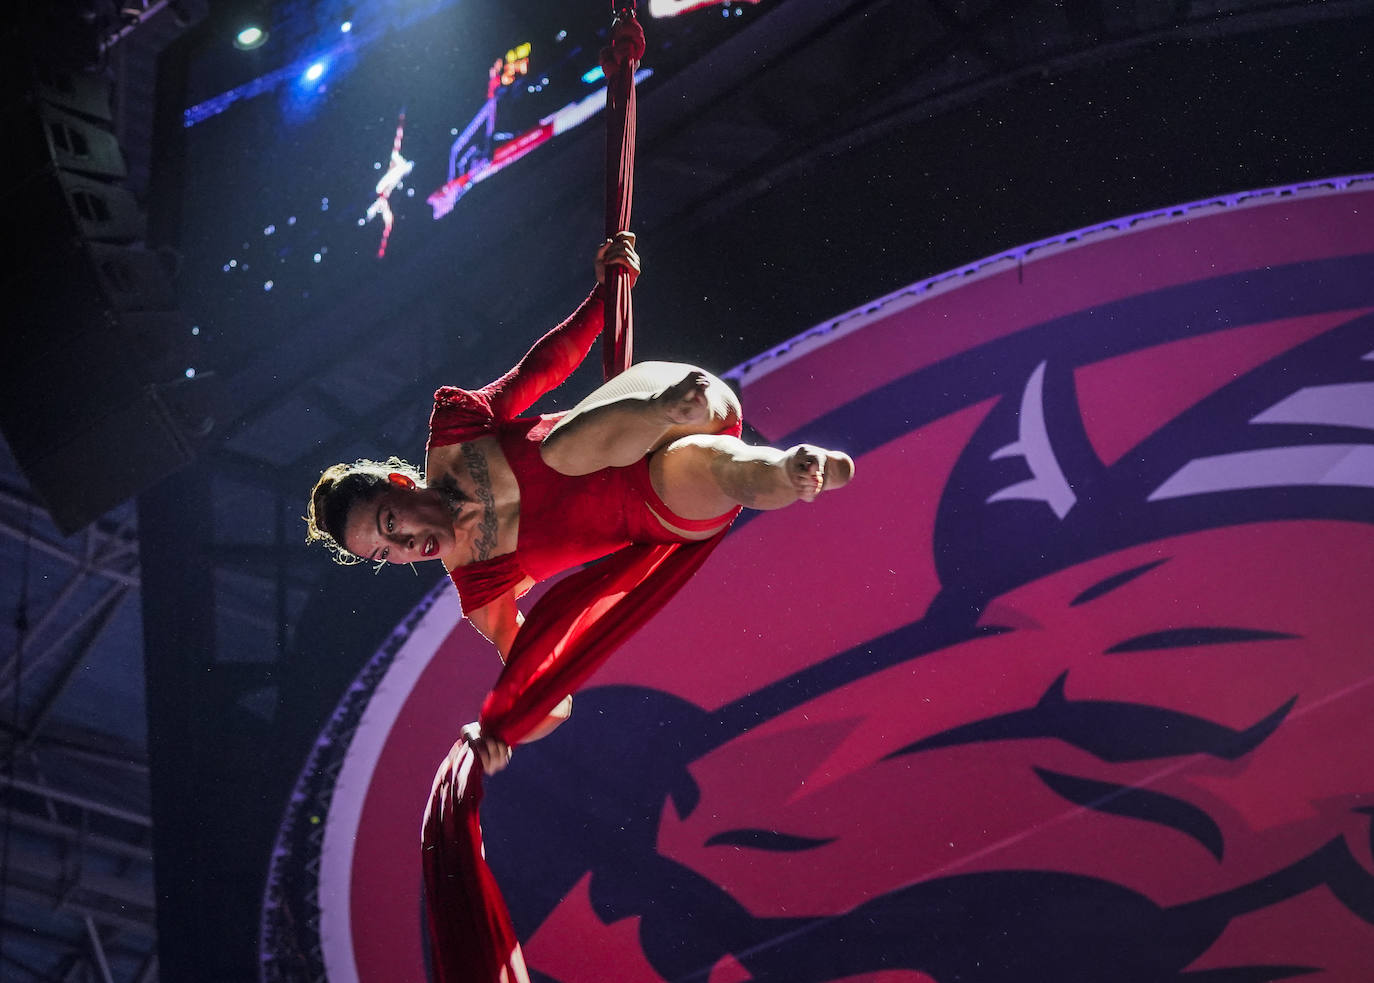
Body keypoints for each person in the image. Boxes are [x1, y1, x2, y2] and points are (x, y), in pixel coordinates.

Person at [306, 233, 852, 772]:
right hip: (663, 495)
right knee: (714, 465)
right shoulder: (481, 588)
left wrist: (605, 295)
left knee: (562, 452)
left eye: (389, 523)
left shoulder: (456, 433)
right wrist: (500, 728)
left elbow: (541, 370)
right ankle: (793, 468)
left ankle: (669, 414)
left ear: (400, 487)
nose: (403, 547)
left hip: (662, 395)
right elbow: (548, 688)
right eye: (384, 554)